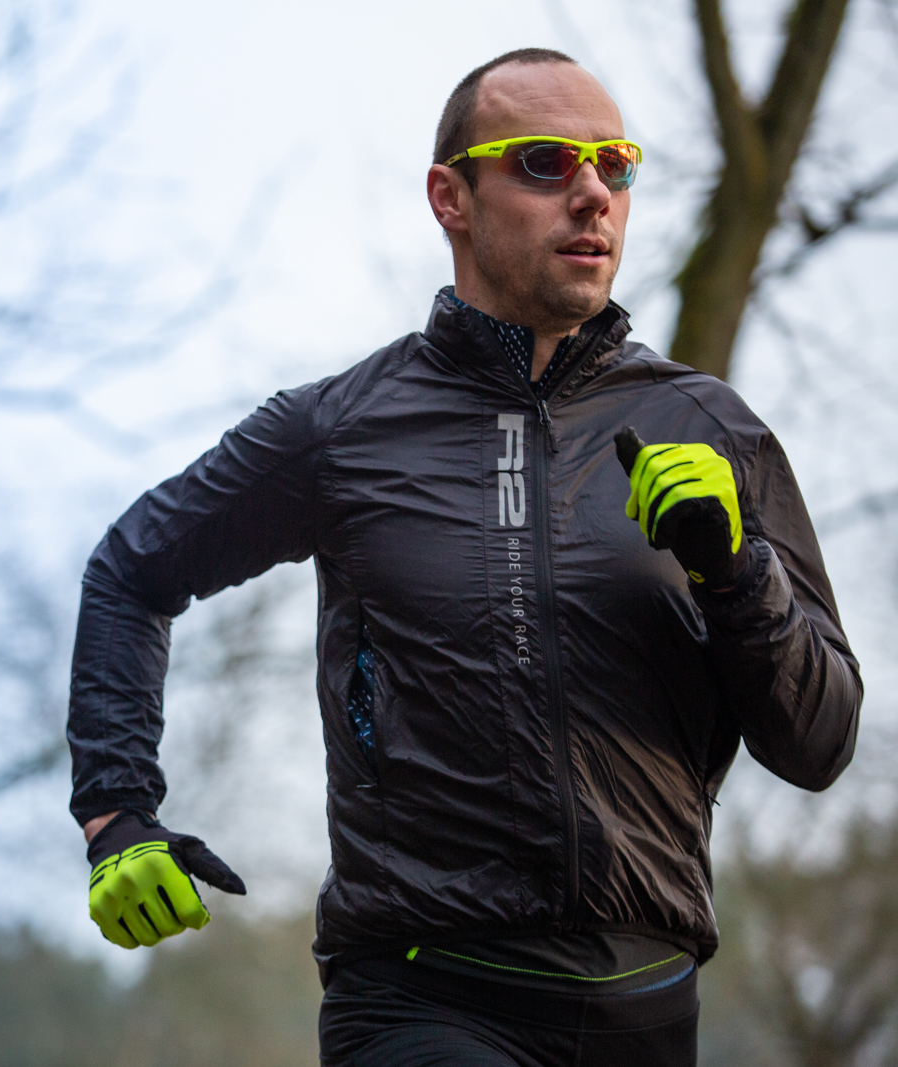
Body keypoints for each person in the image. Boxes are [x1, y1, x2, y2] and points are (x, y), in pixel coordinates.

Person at [65, 47, 862, 1066]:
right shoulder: (341, 428)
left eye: (616, 166)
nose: (592, 193)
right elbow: (132, 569)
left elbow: (819, 741)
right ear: (451, 197)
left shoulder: (709, 428)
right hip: (421, 995)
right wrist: (116, 812)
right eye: (544, 162)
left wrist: (738, 571)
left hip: (649, 1002)